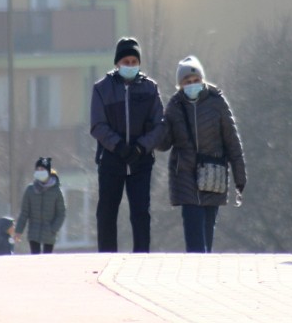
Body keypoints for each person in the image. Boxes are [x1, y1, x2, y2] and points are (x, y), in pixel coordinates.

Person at [157, 56, 247, 253]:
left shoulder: (217, 103)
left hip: (212, 177)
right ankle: (196, 271)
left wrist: (240, 177)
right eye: (187, 82)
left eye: (195, 80)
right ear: (180, 85)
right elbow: (164, 143)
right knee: (195, 240)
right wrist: (156, 125)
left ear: (202, 79)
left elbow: (232, 141)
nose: (192, 85)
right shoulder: (175, 107)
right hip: (186, 180)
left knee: (207, 233)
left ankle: (203, 273)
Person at [90, 37, 165, 253]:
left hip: (141, 161)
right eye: (126, 61)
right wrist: (119, 146)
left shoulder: (150, 89)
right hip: (112, 159)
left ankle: (142, 257)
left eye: (134, 61)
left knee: (141, 212)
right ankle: (106, 256)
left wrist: (141, 147)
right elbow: (97, 125)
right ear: (117, 63)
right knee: (106, 212)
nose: (130, 65)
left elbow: (160, 125)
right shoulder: (102, 89)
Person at [14, 157, 66, 254]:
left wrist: (53, 229)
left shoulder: (56, 191)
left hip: (49, 233)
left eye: (42, 169)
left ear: (48, 171)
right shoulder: (30, 190)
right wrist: (18, 231)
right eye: (37, 169)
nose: (39, 171)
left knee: (47, 260)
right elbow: (24, 213)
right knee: (35, 259)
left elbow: (61, 213)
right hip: (33, 233)